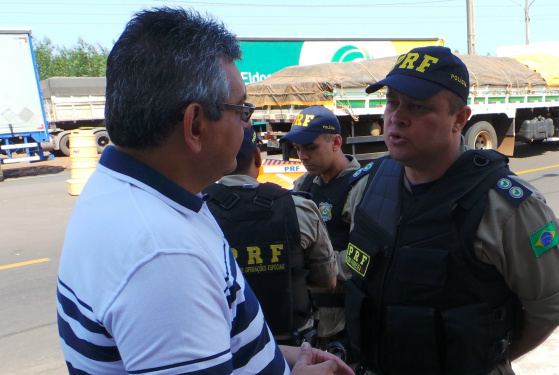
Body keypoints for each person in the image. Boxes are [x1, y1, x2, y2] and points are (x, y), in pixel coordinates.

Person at [56, 7, 352, 375]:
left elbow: (218, 338)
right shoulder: (165, 256)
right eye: (242, 110)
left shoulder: (130, 190)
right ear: (195, 124)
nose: (247, 125)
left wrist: (283, 358)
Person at [342, 46, 559, 375]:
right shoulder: (370, 186)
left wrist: (485, 360)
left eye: (419, 107)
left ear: (460, 119)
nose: (397, 116)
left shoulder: (506, 207)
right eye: (392, 101)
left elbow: (550, 309)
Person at [204, 127, 338, 346]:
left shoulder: (198, 212)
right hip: (293, 346)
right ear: (258, 157)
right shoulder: (299, 207)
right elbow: (327, 280)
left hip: (232, 349)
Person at [282, 105, 361, 360]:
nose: (302, 156)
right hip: (308, 321)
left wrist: (318, 268)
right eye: (298, 149)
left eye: (311, 147)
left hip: (346, 321)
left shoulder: (360, 186)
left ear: (336, 142)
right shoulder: (303, 185)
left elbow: (367, 254)